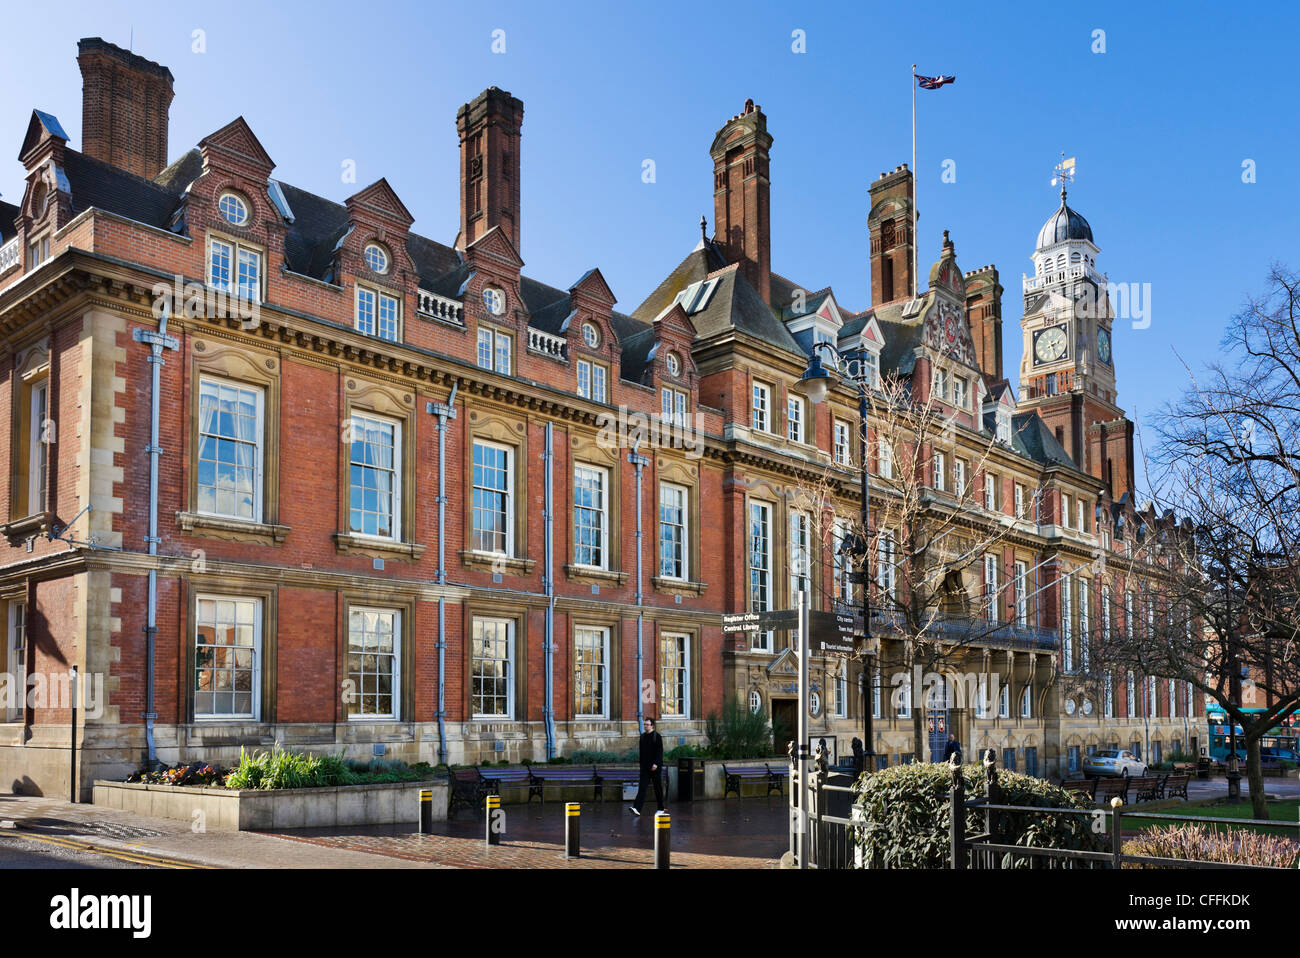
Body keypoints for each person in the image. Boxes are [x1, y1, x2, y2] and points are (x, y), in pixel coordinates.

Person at [630, 718, 665, 816]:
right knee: (642, 788)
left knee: (657, 788)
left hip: (655, 767)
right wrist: (641, 765)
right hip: (645, 768)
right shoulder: (642, 737)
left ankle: (661, 808)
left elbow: (660, 752)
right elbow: (642, 753)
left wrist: (656, 764)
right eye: (644, 724)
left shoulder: (657, 736)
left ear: (652, 725)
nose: (645, 726)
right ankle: (637, 808)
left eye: (647, 724)